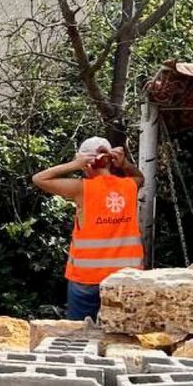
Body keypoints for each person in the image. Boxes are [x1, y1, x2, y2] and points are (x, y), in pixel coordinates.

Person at [32, 136, 145, 322]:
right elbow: (140, 177)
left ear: (87, 164)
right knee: (124, 334)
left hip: (87, 279)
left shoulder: (82, 189)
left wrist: (74, 165)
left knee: (80, 333)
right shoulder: (129, 186)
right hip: (127, 279)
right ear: (111, 162)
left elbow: (39, 178)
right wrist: (124, 164)